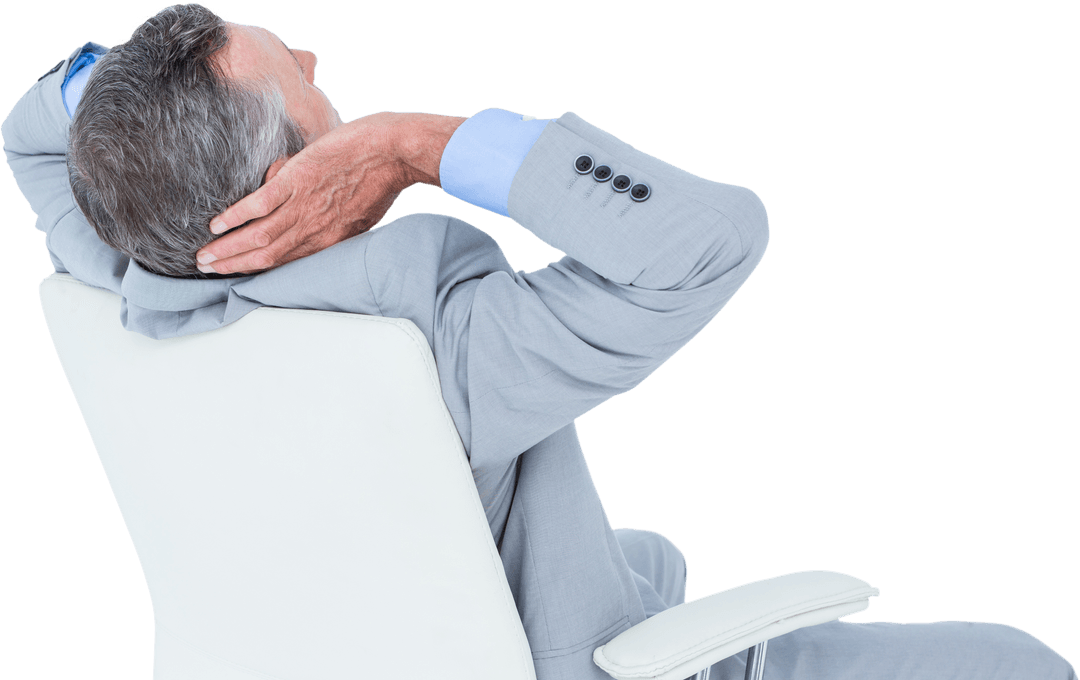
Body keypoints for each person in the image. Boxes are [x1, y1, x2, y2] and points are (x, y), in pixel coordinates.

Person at [2, 3, 1074, 679]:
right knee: (1022, 661)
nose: (321, 55)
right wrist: (419, 144)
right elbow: (711, 241)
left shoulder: (129, 289)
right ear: (288, 177)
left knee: (653, 554)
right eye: (304, 77)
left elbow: (26, 128)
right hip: (607, 663)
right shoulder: (425, 337)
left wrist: (152, 108)